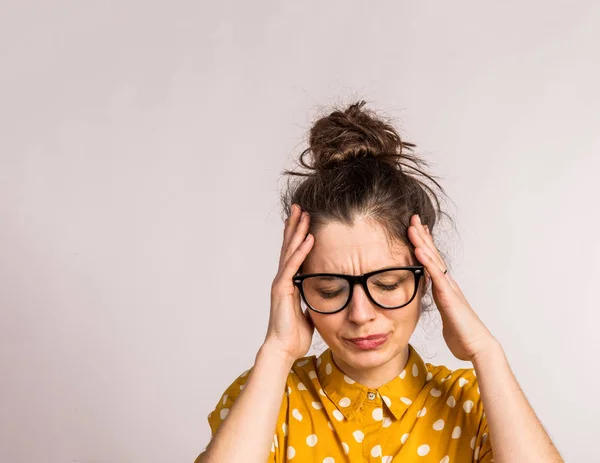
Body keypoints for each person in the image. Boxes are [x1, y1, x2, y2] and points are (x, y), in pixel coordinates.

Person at [195, 100, 563, 462]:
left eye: (386, 285)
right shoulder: (265, 395)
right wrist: (276, 352)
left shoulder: (479, 403)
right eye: (330, 290)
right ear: (296, 291)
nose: (360, 314)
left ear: (426, 282)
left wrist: (487, 352)